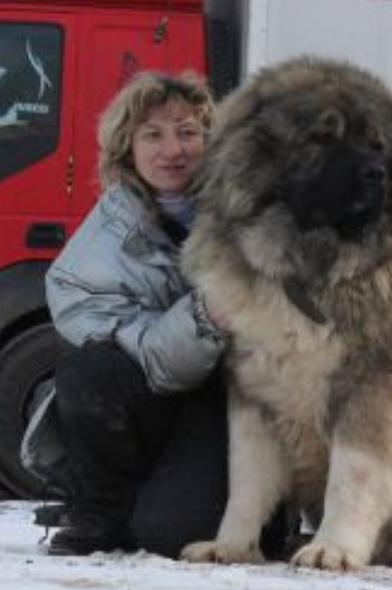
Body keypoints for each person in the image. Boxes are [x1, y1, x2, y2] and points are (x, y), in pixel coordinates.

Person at [37, 71, 286, 558]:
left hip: (237, 398)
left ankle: (251, 509)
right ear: (126, 148)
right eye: (153, 134)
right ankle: (100, 513)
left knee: (175, 535)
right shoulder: (93, 252)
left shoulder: (255, 211)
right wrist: (211, 310)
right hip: (158, 390)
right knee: (90, 372)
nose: (173, 149)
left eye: (188, 132)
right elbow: (158, 361)